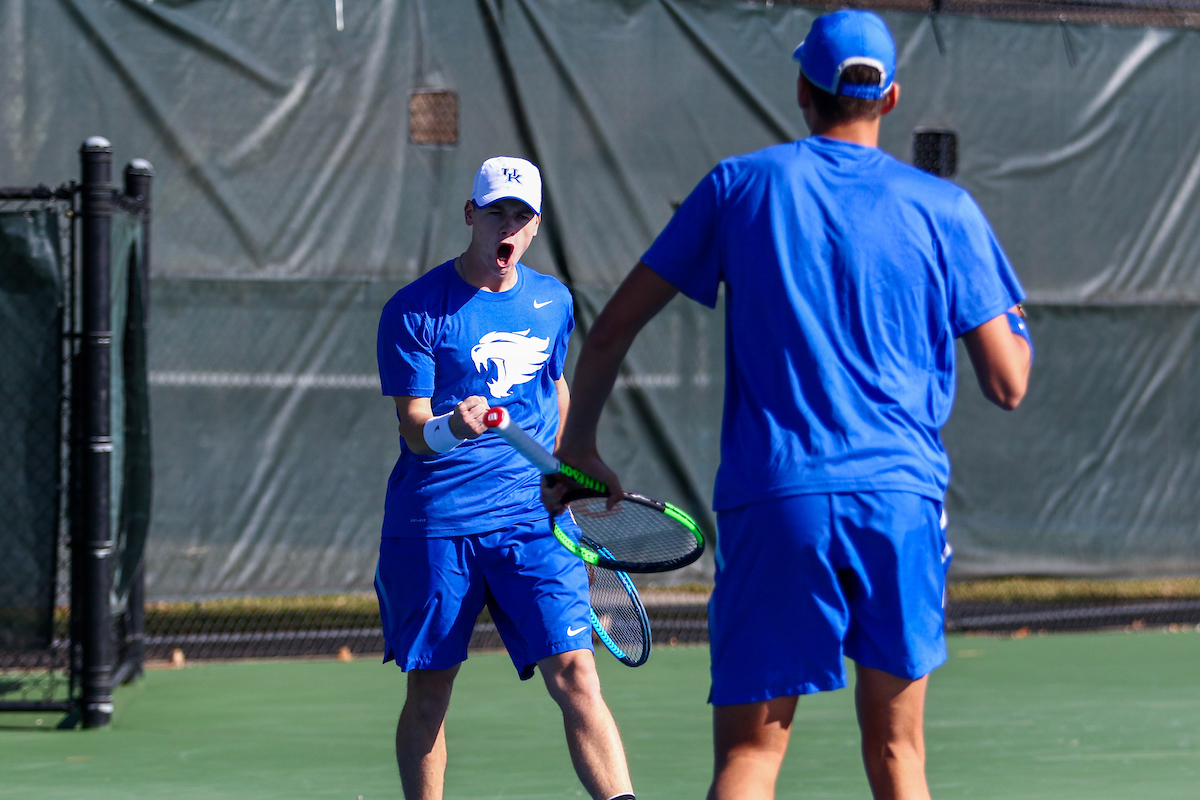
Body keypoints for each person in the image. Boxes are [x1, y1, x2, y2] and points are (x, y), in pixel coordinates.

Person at [549, 11, 1032, 800]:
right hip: (898, 503)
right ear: (892, 98)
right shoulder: (947, 210)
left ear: (802, 91)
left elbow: (608, 333)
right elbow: (1009, 383)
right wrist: (1012, 319)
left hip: (777, 500)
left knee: (749, 759)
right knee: (900, 756)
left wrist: (578, 447)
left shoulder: (739, 185)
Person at [375, 156, 635, 800]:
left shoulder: (553, 302)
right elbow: (412, 427)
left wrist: (568, 466)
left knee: (576, 674)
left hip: (533, 520)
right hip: (438, 523)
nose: (508, 228)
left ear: (536, 225)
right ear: (471, 215)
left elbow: (555, 385)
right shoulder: (414, 310)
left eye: (521, 217)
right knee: (430, 690)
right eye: (496, 214)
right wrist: (452, 427)